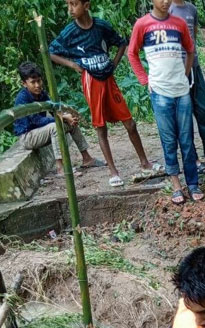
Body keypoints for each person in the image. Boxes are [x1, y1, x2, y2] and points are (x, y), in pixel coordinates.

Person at [49, 0, 156, 188]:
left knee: (130, 123)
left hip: (109, 79)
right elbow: (51, 52)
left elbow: (121, 42)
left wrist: (113, 64)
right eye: (68, 5)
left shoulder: (101, 26)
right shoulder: (70, 32)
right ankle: (113, 172)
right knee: (100, 127)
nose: (70, 9)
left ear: (86, 5)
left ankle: (145, 163)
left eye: (74, 4)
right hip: (91, 81)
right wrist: (72, 65)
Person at [128, 0, 202, 204]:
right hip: (160, 92)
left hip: (181, 91)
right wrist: (145, 80)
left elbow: (190, 49)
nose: (165, 1)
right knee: (169, 140)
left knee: (187, 140)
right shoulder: (142, 24)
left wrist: (185, 74)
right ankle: (176, 184)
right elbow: (132, 53)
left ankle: (193, 183)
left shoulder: (179, 23)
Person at [169, 0, 205, 176]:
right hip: (177, 72)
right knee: (184, 118)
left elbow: (192, 38)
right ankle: (193, 160)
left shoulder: (191, 9)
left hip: (194, 68)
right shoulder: (167, 9)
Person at [11, 61, 99, 176]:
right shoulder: (22, 99)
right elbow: (36, 121)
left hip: (39, 132)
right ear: (24, 83)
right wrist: (63, 118)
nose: (37, 85)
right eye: (33, 82)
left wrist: (67, 117)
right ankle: (60, 168)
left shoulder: (42, 93)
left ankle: (87, 158)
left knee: (71, 122)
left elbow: (54, 110)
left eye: (39, 81)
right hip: (27, 136)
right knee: (55, 127)